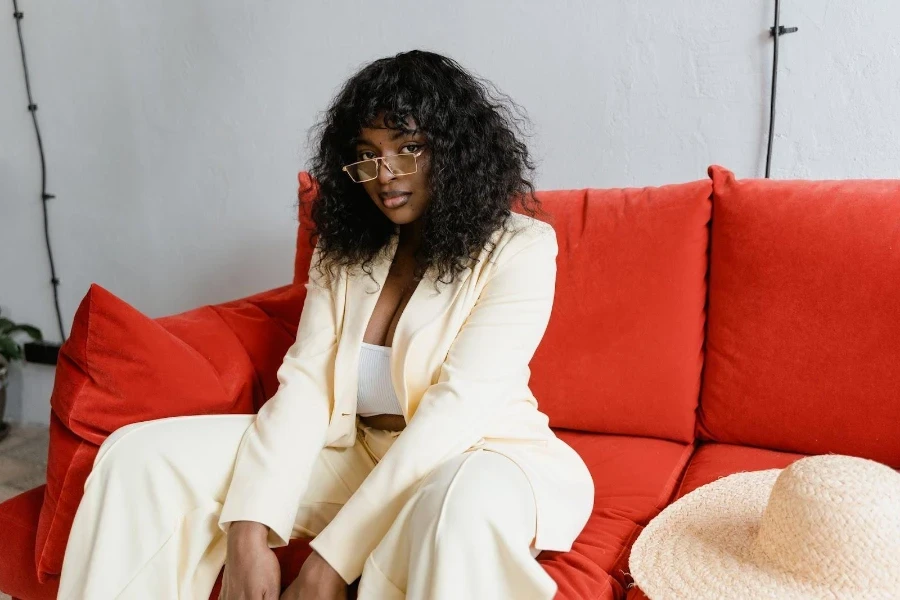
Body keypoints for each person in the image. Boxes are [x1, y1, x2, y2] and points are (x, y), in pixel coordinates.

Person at [58, 49, 594, 600]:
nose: (385, 176)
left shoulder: (520, 249)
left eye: (408, 150)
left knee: (457, 509)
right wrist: (249, 531)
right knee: (139, 457)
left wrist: (330, 563)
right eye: (367, 156)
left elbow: (453, 415)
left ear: (455, 151)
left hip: (474, 458)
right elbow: (308, 384)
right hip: (356, 451)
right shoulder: (345, 251)